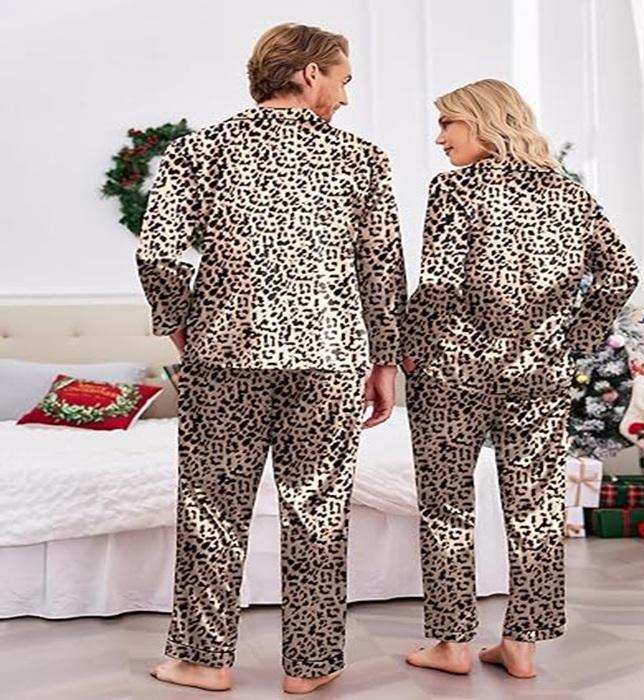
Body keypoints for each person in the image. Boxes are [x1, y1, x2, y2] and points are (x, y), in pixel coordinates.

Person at [135, 22, 406, 694]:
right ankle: (311, 665)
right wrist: (385, 361)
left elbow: (157, 254)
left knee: (212, 511)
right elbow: (382, 269)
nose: (346, 96)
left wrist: (184, 331)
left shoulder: (197, 151)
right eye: (343, 78)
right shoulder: (362, 158)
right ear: (310, 73)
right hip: (330, 362)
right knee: (320, 513)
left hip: (223, 360)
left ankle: (204, 660)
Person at [400, 78, 639, 679]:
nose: (439, 138)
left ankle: (452, 645)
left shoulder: (454, 188)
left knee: (447, 508)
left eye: (448, 123)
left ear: (485, 122)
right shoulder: (569, 193)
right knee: (535, 510)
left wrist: (407, 351)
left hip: (453, 374)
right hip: (539, 375)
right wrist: (574, 338)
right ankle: (522, 646)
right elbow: (620, 272)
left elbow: (439, 284)